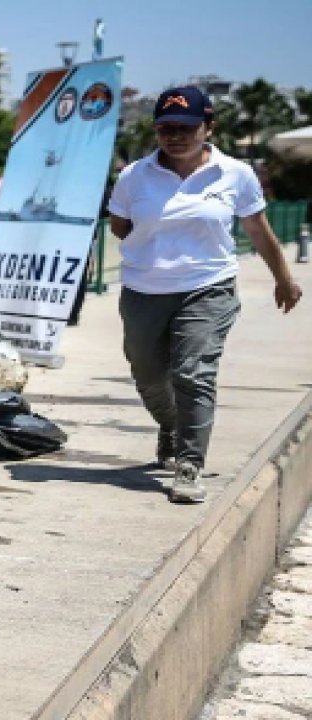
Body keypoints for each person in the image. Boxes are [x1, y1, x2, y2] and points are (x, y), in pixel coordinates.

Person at [107, 86, 302, 503]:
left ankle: (189, 463)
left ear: (208, 128)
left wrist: (283, 278)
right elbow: (119, 226)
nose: (175, 136)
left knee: (193, 372)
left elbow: (257, 230)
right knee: (147, 374)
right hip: (144, 289)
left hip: (207, 287)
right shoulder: (133, 175)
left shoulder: (235, 174)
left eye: (186, 127)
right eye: (165, 128)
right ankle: (171, 425)